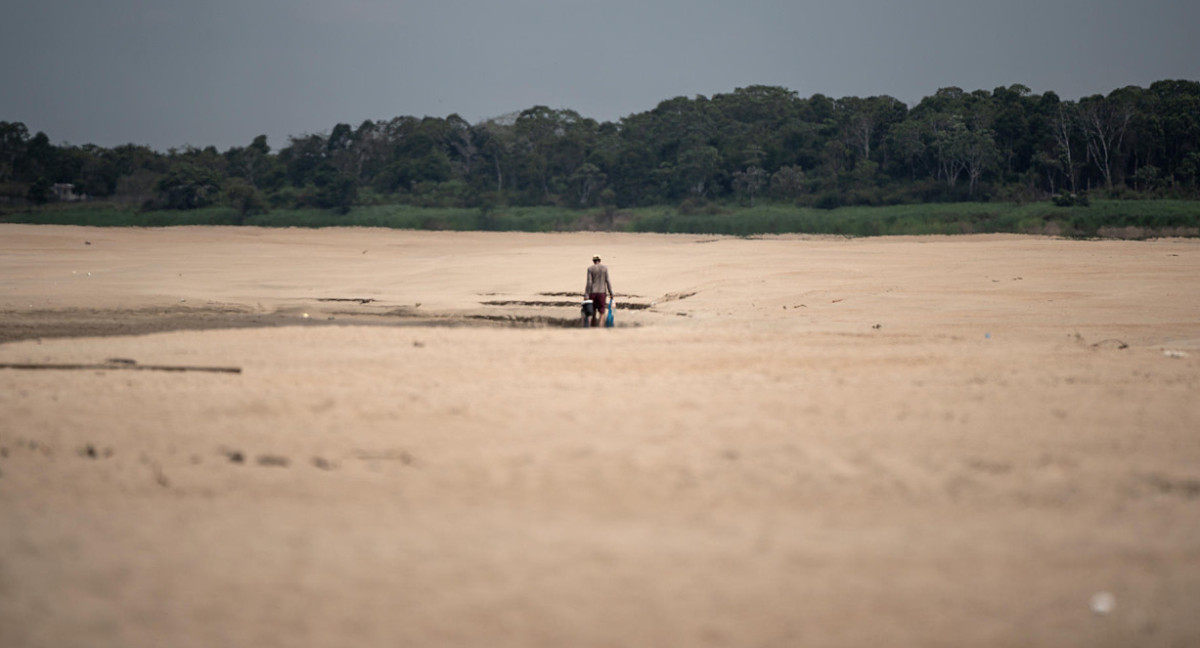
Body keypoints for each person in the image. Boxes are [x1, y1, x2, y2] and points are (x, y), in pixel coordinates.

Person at [584, 254, 613, 328]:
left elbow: (589, 282)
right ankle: (600, 328)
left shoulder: (590, 268)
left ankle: (592, 328)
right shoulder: (605, 268)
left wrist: (586, 294)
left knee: (593, 312)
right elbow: (607, 281)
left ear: (593, 261)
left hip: (593, 292)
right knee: (602, 312)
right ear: (600, 260)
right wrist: (611, 293)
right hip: (602, 292)